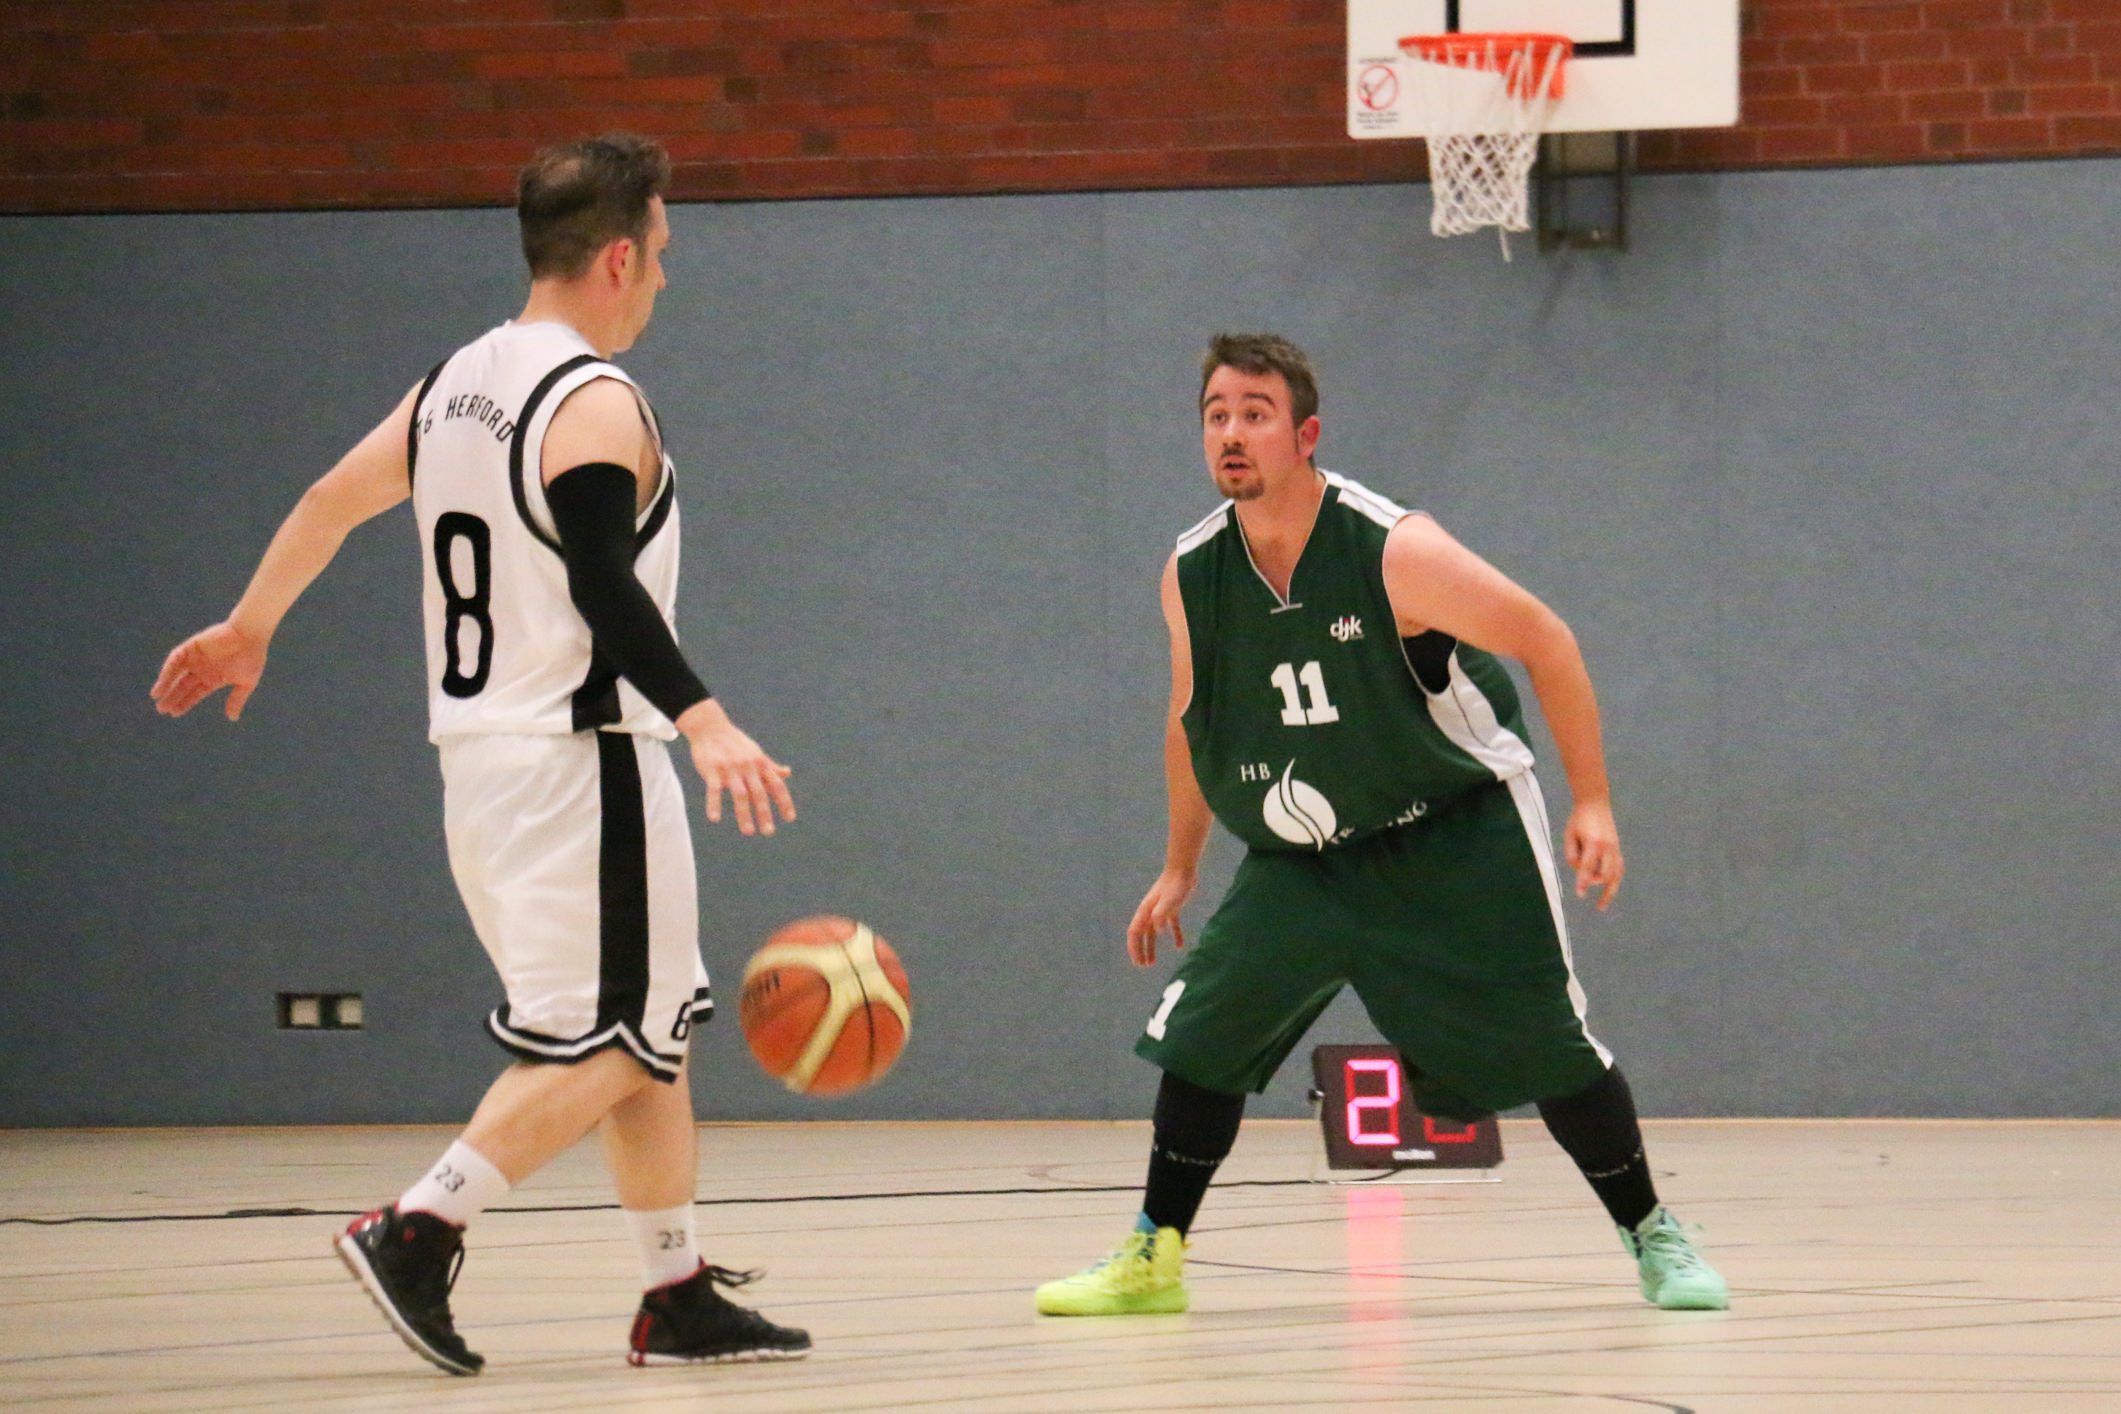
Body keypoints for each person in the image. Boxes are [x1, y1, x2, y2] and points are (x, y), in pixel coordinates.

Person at [151, 134, 812, 1374]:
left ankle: (675, 1290)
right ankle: (420, 1224)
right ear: (617, 258)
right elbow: (607, 586)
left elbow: (329, 498)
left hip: (484, 766)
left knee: (649, 1028)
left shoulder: (452, 386)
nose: (664, 277)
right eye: (662, 252)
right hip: (582, 760)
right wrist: (705, 717)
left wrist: (251, 623)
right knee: (612, 1035)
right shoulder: (594, 400)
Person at [1034, 332, 1727, 1318]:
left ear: (1304, 435)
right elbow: (1190, 718)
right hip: (1306, 853)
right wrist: (1180, 864)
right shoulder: (1192, 571)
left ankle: (1653, 1233)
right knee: (1201, 1035)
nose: (1231, 433)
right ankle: (1154, 1256)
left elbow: (1546, 639)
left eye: (1255, 414)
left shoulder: (1394, 549)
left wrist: (1594, 801)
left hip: (1452, 831)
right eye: (1216, 414)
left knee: (1547, 1043)